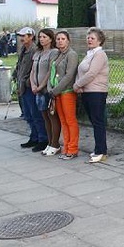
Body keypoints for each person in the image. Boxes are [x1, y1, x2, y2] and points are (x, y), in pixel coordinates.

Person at [73, 27, 110, 164]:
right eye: (88, 37)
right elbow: (80, 71)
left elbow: (92, 73)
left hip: (97, 92)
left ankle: (102, 151)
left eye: (92, 38)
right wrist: (79, 84)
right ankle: (98, 148)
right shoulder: (89, 54)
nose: (89, 39)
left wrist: (77, 85)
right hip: (87, 92)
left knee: (98, 122)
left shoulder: (100, 55)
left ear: (99, 41)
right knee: (94, 122)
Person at [14, 27, 48, 151]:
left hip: (30, 86)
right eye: (21, 36)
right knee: (28, 114)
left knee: (36, 114)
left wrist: (28, 82)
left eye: (24, 36)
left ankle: (42, 139)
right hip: (22, 86)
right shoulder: (23, 49)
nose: (22, 38)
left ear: (31, 37)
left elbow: (34, 69)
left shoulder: (34, 50)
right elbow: (20, 65)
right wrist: (15, 75)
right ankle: (34, 137)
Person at [48, 30, 80, 160]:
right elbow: (51, 73)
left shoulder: (71, 55)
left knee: (70, 120)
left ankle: (73, 149)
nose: (60, 41)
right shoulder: (57, 55)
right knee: (63, 120)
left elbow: (69, 76)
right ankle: (66, 147)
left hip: (66, 92)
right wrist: (50, 88)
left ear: (68, 40)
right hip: (56, 93)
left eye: (62, 39)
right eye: (58, 39)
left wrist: (55, 90)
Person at [30, 29, 59, 155]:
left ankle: (55, 143)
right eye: (40, 37)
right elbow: (32, 71)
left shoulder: (53, 52)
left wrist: (41, 86)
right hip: (37, 90)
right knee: (45, 118)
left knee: (52, 117)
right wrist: (33, 85)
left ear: (51, 39)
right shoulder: (37, 53)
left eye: (45, 37)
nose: (42, 39)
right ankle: (49, 142)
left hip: (46, 89)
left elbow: (50, 71)